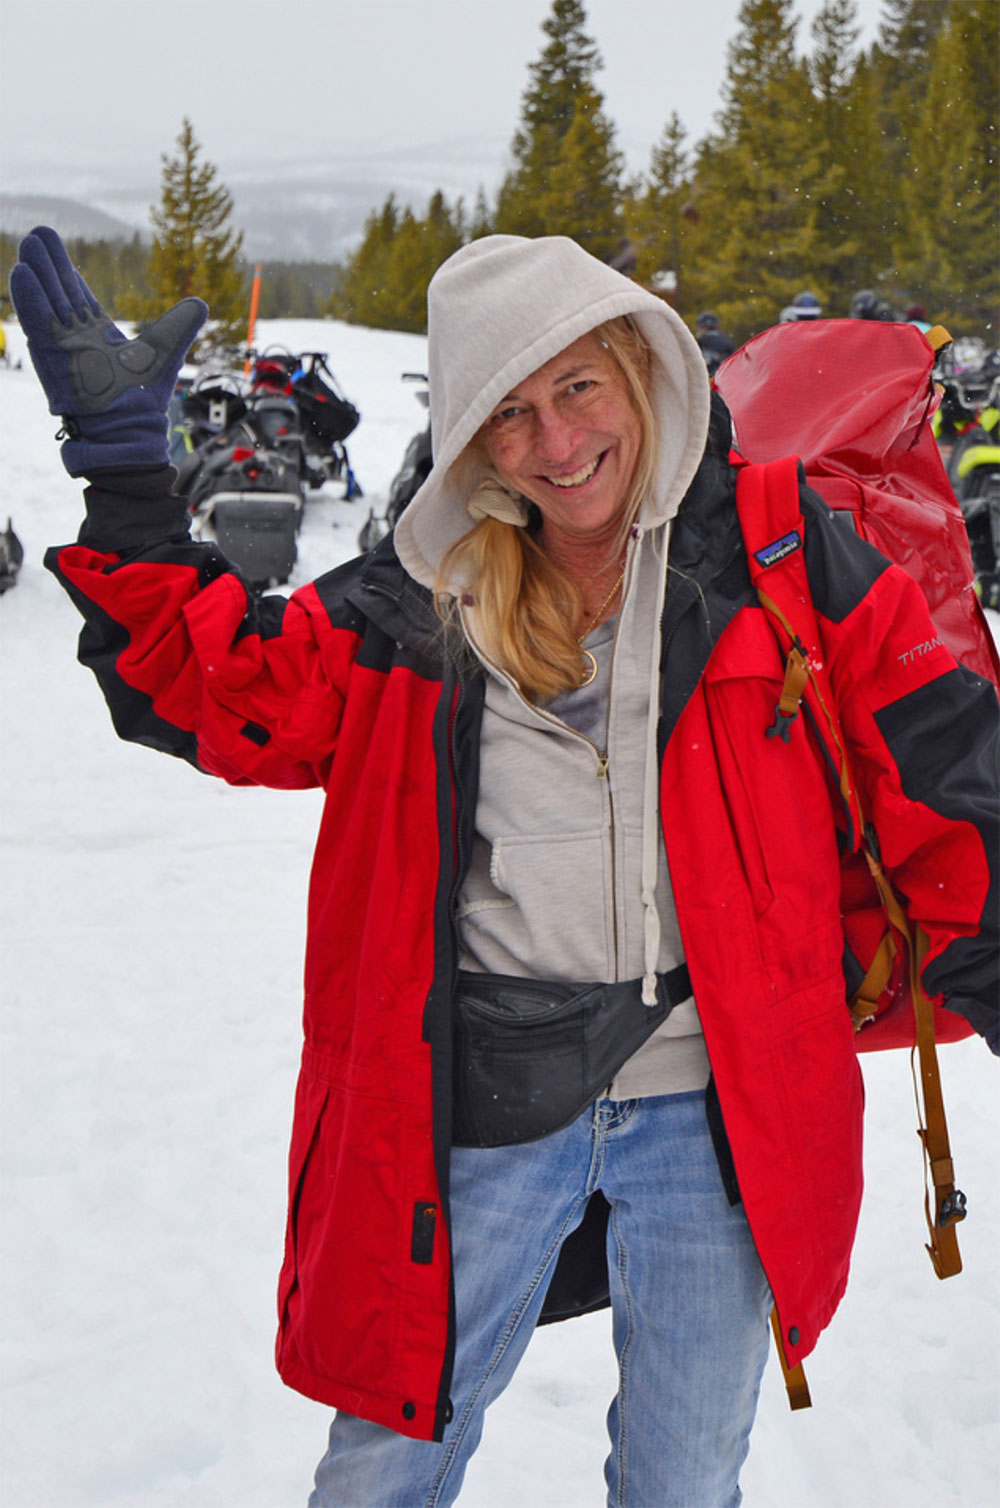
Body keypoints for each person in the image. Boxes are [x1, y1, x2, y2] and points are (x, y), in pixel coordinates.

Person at [10, 227, 999, 1508]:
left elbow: (947, 771)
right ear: (475, 439)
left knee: (688, 1476)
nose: (556, 440)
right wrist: (129, 479)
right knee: (387, 1468)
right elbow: (228, 689)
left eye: (578, 387)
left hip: (718, 1107)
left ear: (637, 370)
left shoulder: (771, 555)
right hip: (478, 1102)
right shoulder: (421, 597)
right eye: (510, 412)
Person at [694, 309, 734, 376]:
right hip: (726, 377)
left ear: (702, 327)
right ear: (717, 326)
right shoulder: (727, 340)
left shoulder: (700, 341)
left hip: (708, 378)